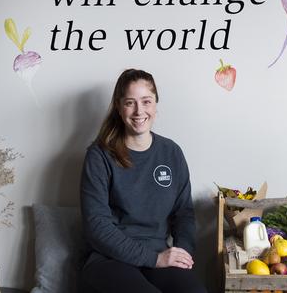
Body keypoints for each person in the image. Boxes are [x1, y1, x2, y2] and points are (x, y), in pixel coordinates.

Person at [79, 69, 207, 293]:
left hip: (158, 255)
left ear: (156, 104)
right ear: (119, 107)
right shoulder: (99, 155)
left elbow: (184, 213)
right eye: (130, 103)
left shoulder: (171, 152)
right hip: (108, 260)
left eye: (146, 101)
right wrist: (154, 258)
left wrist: (181, 254)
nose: (139, 111)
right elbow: (97, 226)